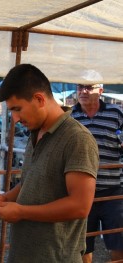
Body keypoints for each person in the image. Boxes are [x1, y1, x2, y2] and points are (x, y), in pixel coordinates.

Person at [0, 64, 99, 262]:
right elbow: (32, 180)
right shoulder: (35, 132)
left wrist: (21, 212)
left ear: (39, 99)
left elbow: (80, 206)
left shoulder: (77, 138)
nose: (15, 118)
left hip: (56, 256)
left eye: (17, 109)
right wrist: (6, 198)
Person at [71, 75, 123, 262]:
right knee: (83, 243)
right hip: (82, 190)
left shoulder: (116, 113)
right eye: (80, 87)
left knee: (118, 240)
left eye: (89, 87)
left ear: (100, 91)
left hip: (113, 188)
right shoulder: (71, 117)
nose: (83, 91)